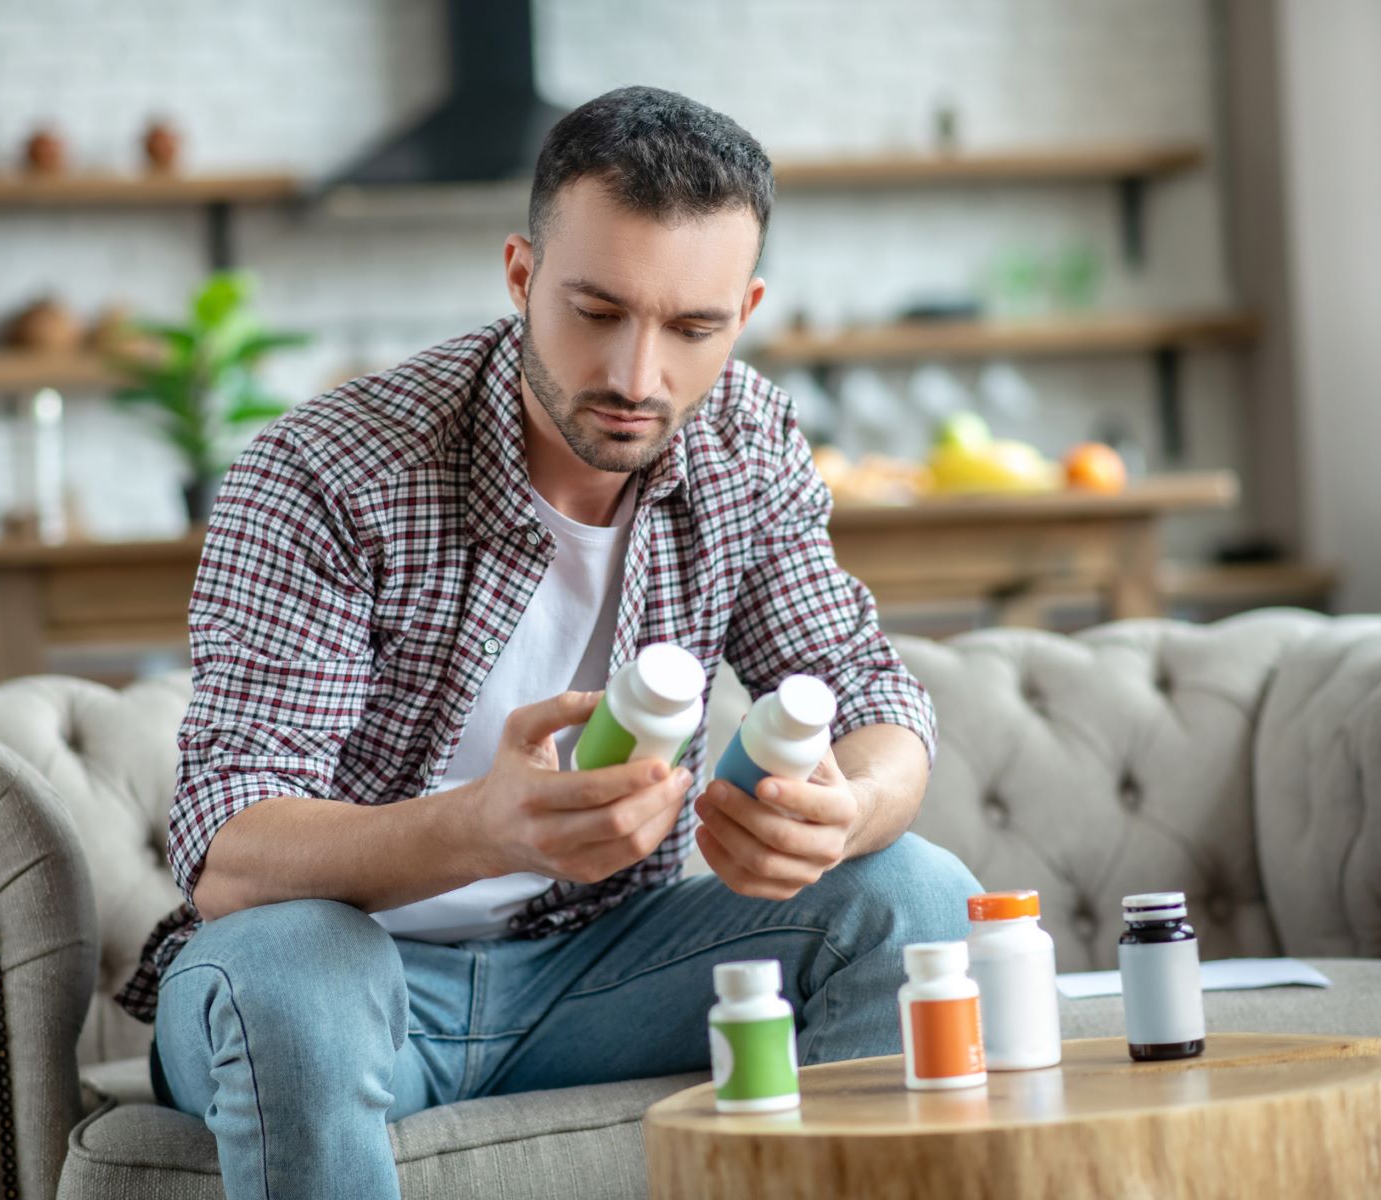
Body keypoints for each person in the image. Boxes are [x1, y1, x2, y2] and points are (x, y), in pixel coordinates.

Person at [116, 84, 982, 1199]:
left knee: (913, 892)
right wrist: (486, 828)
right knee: (286, 975)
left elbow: (871, 699)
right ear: (522, 275)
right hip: (349, 972)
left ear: (746, 311)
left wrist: (845, 812)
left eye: (691, 328)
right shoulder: (328, 471)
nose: (637, 377)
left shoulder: (745, 439)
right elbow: (231, 846)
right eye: (597, 311)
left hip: (604, 972)